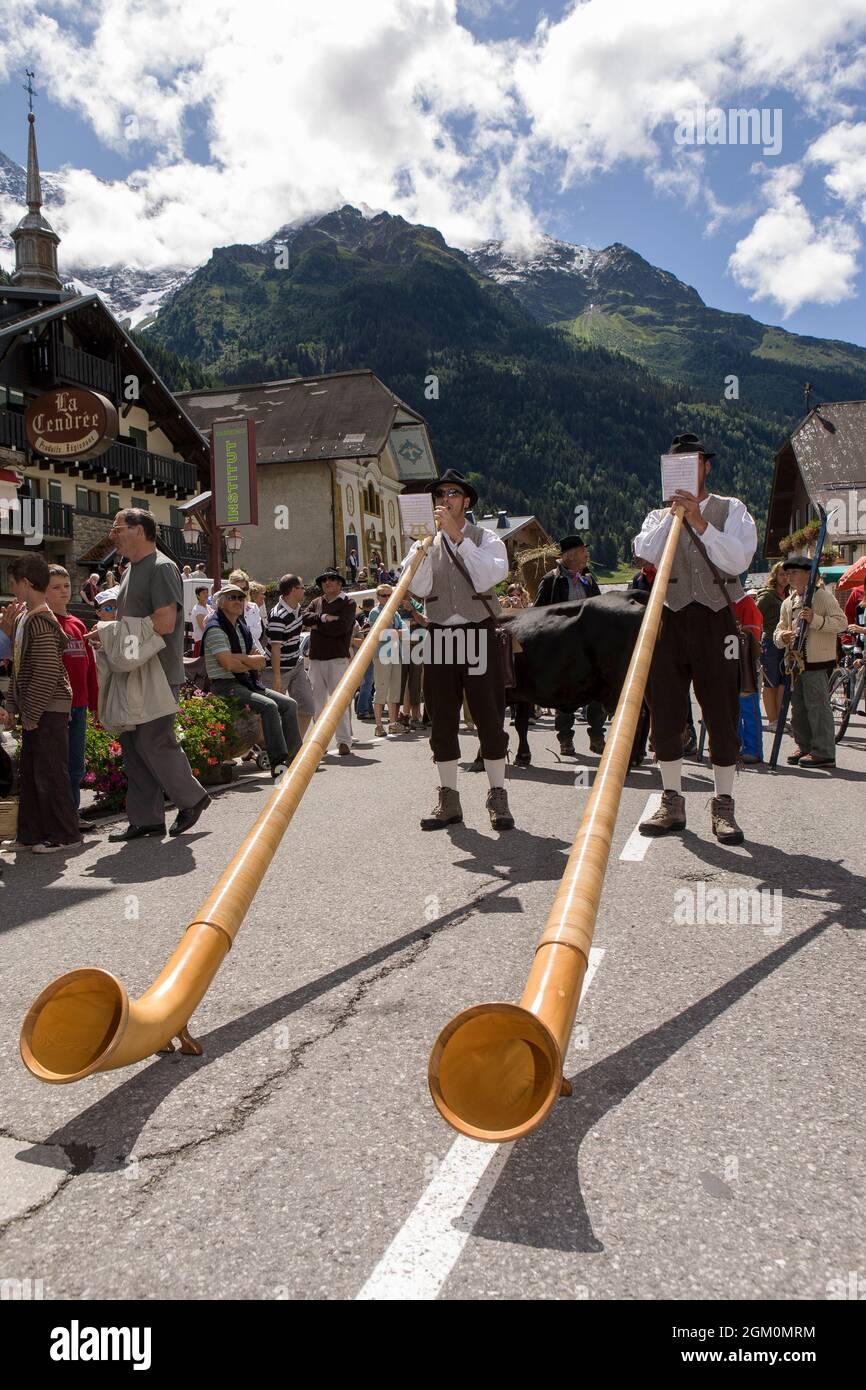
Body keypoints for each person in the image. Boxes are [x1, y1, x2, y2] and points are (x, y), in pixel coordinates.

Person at [634, 432, 757, 844]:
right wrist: (674, 515)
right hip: (668, 618)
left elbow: (737, 560)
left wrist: (700, 521)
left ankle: (723, 804)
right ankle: (672, 799)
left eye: (693, 461)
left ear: (706, 466)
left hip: (716, 619)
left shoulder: (731, 509)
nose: (687, 468)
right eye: (677, 464)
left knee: (721, 713)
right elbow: (645, 552)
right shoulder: (658, 515)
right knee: (665, 712)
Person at [402, 469, 513, 831]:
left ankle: (497, 795)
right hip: (439, 636)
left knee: (489, 716)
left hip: (478, 631)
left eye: (452, 493)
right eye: (439, 495)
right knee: (442, 719)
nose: (444, 499)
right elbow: (415, 586)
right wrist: (421, 547)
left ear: (466, 501)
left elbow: (488, 576)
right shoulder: (424, 542)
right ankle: (448, 798)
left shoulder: (486, 537)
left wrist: (454, 535)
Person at [101, 508, 210, 840]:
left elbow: (165, 623)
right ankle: (146, 819)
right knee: (134, 744)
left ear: (139, 530)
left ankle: (192, 798)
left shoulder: (162, 567)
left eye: (117, 527)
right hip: (138, 670)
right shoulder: (131, 570)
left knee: (153, 740)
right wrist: (109, 635)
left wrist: (116, 638)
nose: (112, 534)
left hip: (158, 672)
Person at [0, 554, 81, 852]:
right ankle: (30, 834)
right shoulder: (25, 618)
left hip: (49, 710)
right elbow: (20, 669)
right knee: (32, 774)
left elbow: (47, 672)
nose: (12, 588)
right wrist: (12, 706)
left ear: (26, 582)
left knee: (50, 773)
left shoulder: (40, 621)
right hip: (39, 710)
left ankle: (65, 835)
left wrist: (29, 713)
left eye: (13, 583)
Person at [203, 583, 301, 780]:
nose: (238, 601)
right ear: (221, 603)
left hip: (245, 682)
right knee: (269, 706)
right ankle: (278, 762)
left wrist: (241, 659)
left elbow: (260, 661)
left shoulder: (241, 627)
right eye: (232, 598)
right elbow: (228, 665)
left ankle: (296, 758)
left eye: (241, 598)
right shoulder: (215, 629)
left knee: (290, 704)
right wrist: (246, 661)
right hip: (225, 685)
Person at [535, 535, 605, 756]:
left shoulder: (588, 579)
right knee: (565, 694)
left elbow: (600, 608)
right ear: (570, 555)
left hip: (589, 645)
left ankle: (597, 736)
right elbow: (537, 613)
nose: (587, 555)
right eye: (583, 551)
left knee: (597, 692)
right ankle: (565, 739)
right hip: (563, 646)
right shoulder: (551, 580)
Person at [774, 556, 846, 768]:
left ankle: (823, 751)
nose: (789, 577)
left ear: (808, 574)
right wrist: (783, 637)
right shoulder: (788, 602)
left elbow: (841, 623)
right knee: (799, 708)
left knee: (818, 707)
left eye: (794, 572)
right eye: (787, 573)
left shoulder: (822, 597)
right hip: (795, 662)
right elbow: (779, 629)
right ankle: (805, 746)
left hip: (816, 660)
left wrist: (815, 620)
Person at [45, 565, 100, 832]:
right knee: (59, 765)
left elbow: (90, 669)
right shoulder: (46, 624)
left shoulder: (78, 624)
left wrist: (95, 703)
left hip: (79, 706)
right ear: (43, 590)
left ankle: (72, 814)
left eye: (66, 586)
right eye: (55, 587)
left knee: (76, 765)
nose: (63, 592)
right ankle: (58, 818)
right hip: (58, 707)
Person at [302, 569, 357, 756]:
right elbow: (304, 617)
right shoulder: (317, 602)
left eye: (332, 579)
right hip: (316, 659)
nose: (328, 582)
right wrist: (324, 619)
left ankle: (344, 741)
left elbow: (341, 628)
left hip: (337, 658)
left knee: (339, 702)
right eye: (324, 580)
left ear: (340, 583)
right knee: (317, 702)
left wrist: (317, 626)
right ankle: (320, 741)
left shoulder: (348, 602)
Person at [266, 573, 315, 737]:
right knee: (271, 712)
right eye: (302, 587)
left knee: (307, 707)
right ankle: (270, 749)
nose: (304, 591)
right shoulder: (278, 616)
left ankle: (296, 747)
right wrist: (277, 677)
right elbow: (275, 649)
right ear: (294, 590)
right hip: (277, 669)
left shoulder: (297, 609)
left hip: (296, 664)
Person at [366, 584, 408, 739]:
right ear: (378, 597)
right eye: (384, 595)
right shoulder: (375, 612)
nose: (388, 598)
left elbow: (406, 631)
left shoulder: (395, 613)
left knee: (394, 690)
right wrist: (396, 633)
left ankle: (392, 723)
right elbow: (380, 634)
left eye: (390, 595)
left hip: (395, 654)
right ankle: (378, 725)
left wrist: (394, 633)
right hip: (382, 655)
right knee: (381, 689)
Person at [756, 561, 789, 728]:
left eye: (787, 574)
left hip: (786, 643)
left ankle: (779, 719)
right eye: (781, 574)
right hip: (769, 642)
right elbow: (755, 616)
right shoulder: (767, 595)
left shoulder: (789, 595)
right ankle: (772, 720)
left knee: (783, 683)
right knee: (770, 682)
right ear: (775, 576)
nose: (784, 577)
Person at [735, 588, 763, 764]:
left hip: (744, 665)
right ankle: (733, 745)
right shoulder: (716, 600)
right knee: (730, 710)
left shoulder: (745, 603)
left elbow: (754, 636)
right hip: (723, 664)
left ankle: (752, 749)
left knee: (748, 708)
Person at [354, 598, 377, 720]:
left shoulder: (358, 616)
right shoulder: (366, 617)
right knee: (367, 683)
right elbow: (367, 634)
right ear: (372, 605)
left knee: (365, 683)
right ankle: (362, 710)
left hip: (359, 653)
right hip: (367, 652)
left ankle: (368, 709)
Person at [190, 585, 210, 657]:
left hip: (208, 641)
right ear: (198, 596)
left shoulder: (208, 607)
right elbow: (203, 627)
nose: (206, 595)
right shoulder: (198, 609)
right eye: (203, 593)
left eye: (207, 592)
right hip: (201, 641)